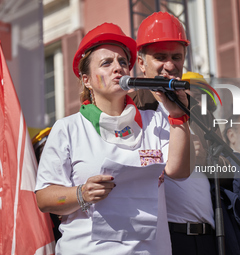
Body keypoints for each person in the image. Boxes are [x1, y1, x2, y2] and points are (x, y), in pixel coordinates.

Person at [35, 22, 192, 255]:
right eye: (106, 63)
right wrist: (81, 193)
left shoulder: (154, 121)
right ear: (86, 79)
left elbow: (179, 171)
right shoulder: (68, 128)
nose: (118, 68)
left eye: (122, 62)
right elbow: (44, 198)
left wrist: (179, 116)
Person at [133, 12, 217, 255]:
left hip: (207, 237)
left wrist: (207, 160)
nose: (170, 65)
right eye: (160, 57)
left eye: (176, 57)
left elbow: (225, 170)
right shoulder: (130, 107)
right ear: (141, 63)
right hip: (163, 238)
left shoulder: (196, 107)